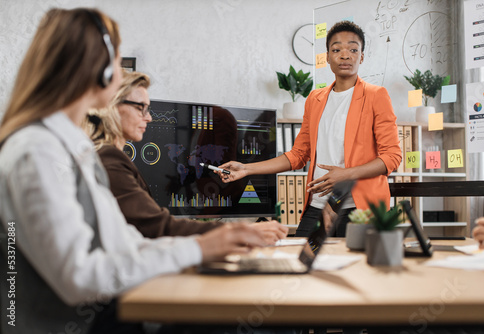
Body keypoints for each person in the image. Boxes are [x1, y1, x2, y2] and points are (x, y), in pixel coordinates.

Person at [0, 8, 271, 334]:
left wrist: (212, 245)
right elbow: (79, 278)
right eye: (115, 61)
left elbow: (127, 243)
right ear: (98, 69)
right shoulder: (38, 151)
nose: (118, 69)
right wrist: (200, 248)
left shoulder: (71, 147)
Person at [217, 20, 402, 237]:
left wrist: (345, 175)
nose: (345, 55)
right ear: (327, 57)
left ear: (361, 57)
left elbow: (392, 156)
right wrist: (247, 169)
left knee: (353, 269)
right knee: (302, 265)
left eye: (353, 49)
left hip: (358, 209)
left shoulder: (375, 95)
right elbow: (298, 155)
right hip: (318, 205)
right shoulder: (315, 99)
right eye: (337, 49)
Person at [83, 70, 287, 243]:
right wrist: (237, 232)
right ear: (110, 106)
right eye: (140, 108)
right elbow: (156, 225)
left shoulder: (107, 156)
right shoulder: (108, 158)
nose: (149, 117)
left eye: (148, 109)